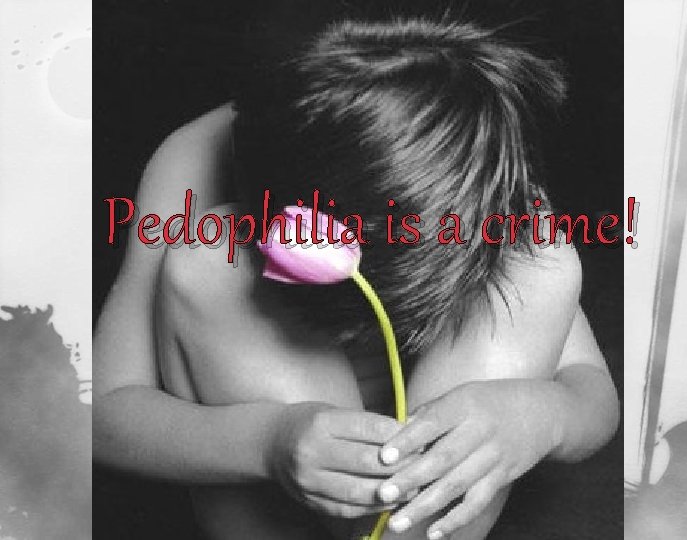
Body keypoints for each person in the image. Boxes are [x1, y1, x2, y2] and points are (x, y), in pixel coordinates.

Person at [93, 19, 619, 540]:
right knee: (211, 257)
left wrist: (540, 416)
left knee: (538, 257)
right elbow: (103, 415)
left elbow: (592, 393)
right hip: (272, 495)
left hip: (426, 505)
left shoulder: (465, 151)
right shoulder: (196, 160)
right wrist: (268, 443)